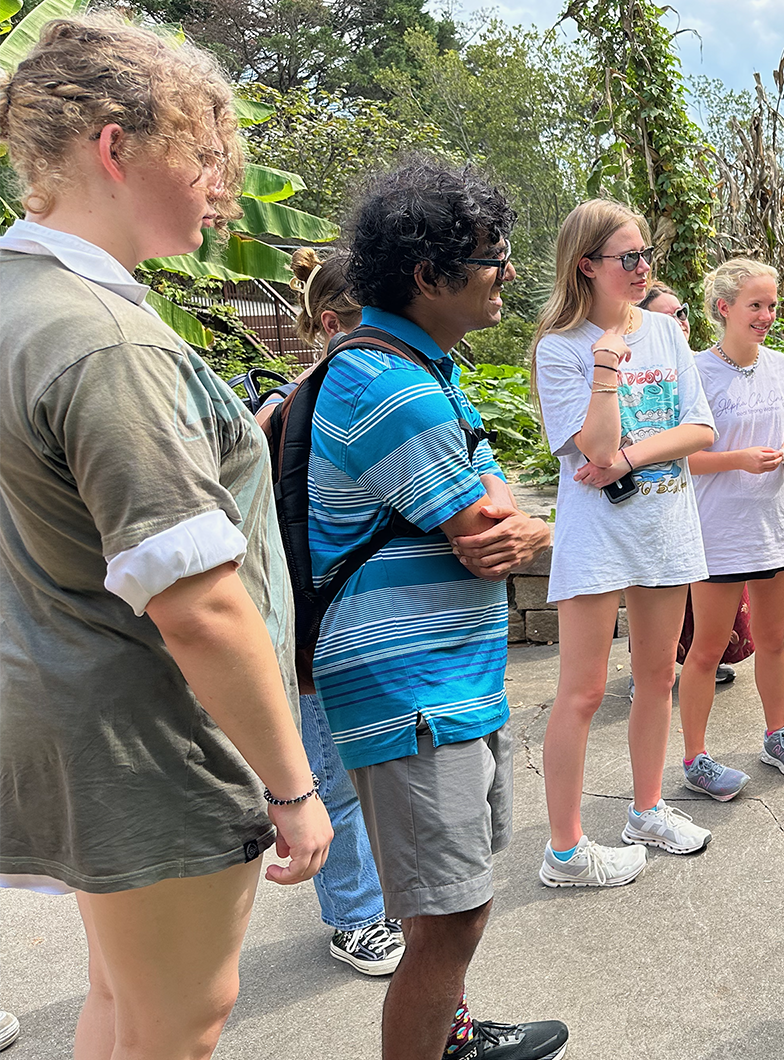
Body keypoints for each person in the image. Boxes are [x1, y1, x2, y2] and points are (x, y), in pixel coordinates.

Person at [0, 15, 333, 1060]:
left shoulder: (21, 301)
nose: (220, 189)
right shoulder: (103, 343)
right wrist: (292, 782)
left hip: (66, 707)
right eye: (203, 157)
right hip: (150, 740)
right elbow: (197, 604)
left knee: (124, 1000)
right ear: (115, 147)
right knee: (181, 1020)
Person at [308, 156, 566, 1060]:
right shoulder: (388, 384)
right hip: (408, 688)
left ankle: (450, 1037)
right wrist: (528, 528)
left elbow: (498, 510)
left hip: (445, 676)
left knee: (450, 905)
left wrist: (516, 525)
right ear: (430, 275)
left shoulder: (427, 370)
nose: (505, 276)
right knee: (451, 916)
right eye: (492, 258)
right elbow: (487, 524)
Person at [533, 199, 717, 886]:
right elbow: (594, 445)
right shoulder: (561, 349)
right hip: (598, 537)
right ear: (586, 265)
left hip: (665, 527)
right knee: (580, 694)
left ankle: (647, 810)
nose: (642, 268)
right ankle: (565, 850)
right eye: (627, 258)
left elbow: (700, 430)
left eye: (646, 256)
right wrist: (606, 369)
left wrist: (633, 459)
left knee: (657, 678)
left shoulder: (666, 333)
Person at [248, 247, 402, 977]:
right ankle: (355, 916)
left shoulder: (382, 400)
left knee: (375, 773)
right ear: (336, 323)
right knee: (330, 781)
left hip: (373, 627)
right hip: (313, 634)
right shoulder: (285, 412)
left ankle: (378, 899)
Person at [677, 258, 784, 800]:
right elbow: (676, 460)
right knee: (707, 649)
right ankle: (696, 759)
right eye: (755, 305)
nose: (766, 315)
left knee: (774, 640)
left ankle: (776, 736)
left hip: (776, 527)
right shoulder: (693, 372)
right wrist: (736, 459)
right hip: (717, 532)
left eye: (772, 305)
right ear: (723, 308)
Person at [638, 279, 738, 689]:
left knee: (696, 595)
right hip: (659, 492)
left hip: (704, 499)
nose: (680, 321)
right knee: (653, 589)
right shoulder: (642, 370)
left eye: (682, 313)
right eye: (668, 316)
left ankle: (698, 661)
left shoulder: (698, 363)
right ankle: (646, 670)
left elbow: (707, 430)